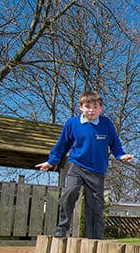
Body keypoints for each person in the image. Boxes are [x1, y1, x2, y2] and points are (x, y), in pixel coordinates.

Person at [36, 90, 133, 239]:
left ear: (101, 108)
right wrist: (51, 161)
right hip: (77, 165)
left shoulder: (106, 123)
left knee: (94, 205)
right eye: (88, 107)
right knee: (70, 192)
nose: (91, 110)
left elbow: (115, 144)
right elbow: (62, 145)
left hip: (97, 170)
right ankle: (62, 228)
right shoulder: (72, 123)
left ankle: (94, 238)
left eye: (95, 107)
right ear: (81, 107)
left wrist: (121, 155)